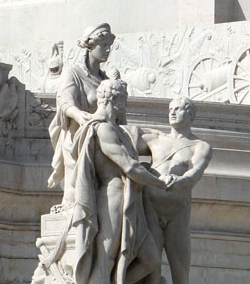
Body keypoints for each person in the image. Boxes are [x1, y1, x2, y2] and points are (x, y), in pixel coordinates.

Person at [70, 78, 170, 284]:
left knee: (151, 259)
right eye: (124, 99)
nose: (125, 104)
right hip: (113, 198)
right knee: (105, 259)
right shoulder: (103, 129)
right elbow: (130, 167)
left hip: (130, 199)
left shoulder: (115, 129)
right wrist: (160, 183)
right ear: (113, 100)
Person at [140, 97, 212, 284]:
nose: (172, 112)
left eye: (178, 109)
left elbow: (196, 172)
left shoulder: (200, 146)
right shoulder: (154, 139)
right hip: (151, 209)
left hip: (177, 212)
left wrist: (179, 180)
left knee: (180, 273)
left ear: (190, 114)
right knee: (151, 273)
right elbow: (120, 143)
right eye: (171, 109)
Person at [48, 23, 117, 208]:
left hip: (100, 141)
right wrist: (78, 115)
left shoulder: (105, 79)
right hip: (76, 138)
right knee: (79, 192)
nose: (108, 50)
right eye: (103, 45)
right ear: (90, 46)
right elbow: (64, 101)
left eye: (109, 45)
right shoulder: (73, 73)